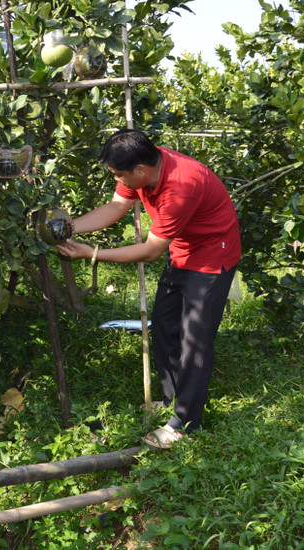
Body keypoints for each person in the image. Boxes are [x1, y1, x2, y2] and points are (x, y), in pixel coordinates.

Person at [55, 129, 240, 449]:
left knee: (195, 341)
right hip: (183, 252)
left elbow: (151, 251)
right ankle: (172, 398)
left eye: (118, 175)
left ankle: (183, 423)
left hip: (212, 257)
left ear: (140, 170)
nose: (119, 180)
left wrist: (93, 253)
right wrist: (70, 227)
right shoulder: (144, 169)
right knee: (165, 326)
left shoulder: (181, 186)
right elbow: (115, 208)